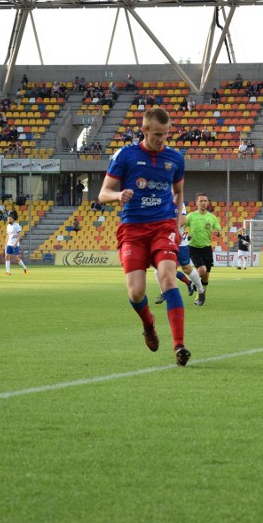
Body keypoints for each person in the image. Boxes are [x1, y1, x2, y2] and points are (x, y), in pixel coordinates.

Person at [98, 106, 190, 366]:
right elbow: (103, 193)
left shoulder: (175, 158)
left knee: (168, 278)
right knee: (136, 292)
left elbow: (179, 191)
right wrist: (118, 195)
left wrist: (176, 221)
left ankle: (179, 345)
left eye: (166, 134)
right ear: (145, 130)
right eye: (157, 134)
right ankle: (149, 325)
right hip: (133, 230)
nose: (162, 139)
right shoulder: (126, 156)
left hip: (162, 227)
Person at [154, 207, 204, 304]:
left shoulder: (177, 200)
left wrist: (168, 227)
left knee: (186, 268)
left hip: (179, 240)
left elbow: (183, 220)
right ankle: (163, 292)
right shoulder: (159, 199)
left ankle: (201, 290)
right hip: (163, 239)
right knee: (158, 268)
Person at [185, 192, 222, 307]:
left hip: (207, 248)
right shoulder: (191, 216)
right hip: (193, 247)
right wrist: (186, 235)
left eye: (205, 201)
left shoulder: (212, 217)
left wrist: (218, 233)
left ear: (208, 202)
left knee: (206, 275)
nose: (203, 203)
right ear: (196, 203)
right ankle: (198, 290)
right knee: (201, 271)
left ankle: (199, 292)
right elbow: (181, 227)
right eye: (200, 201)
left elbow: (219, 231)